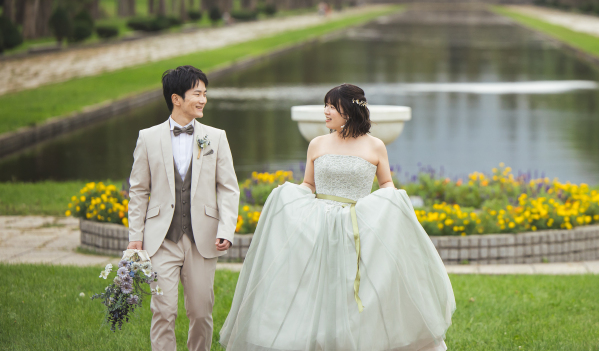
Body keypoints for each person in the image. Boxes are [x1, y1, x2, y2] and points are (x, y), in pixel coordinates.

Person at [220, 84, 455, 351]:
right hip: (318, 226)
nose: (326, 111)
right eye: (326, 105)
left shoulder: (376, 146)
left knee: (355, 289)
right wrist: (290, 197)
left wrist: (391, 205)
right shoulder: (317, 143)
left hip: (357, 226)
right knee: (313, 286)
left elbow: (386, 183)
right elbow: (308, 184)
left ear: (350, 109)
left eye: (332, 106)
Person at [127, 65, 240, 351]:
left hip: (202, 238)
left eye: (205, 93)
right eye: (197, 94)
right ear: (176, 99)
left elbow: (228, 188)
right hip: (161, 239)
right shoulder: (148, 138)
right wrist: (135, 237)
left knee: (201, 313)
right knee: (163, 311)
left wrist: (226, 228)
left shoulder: (215, 137)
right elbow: (139, 190)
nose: (203, 99)